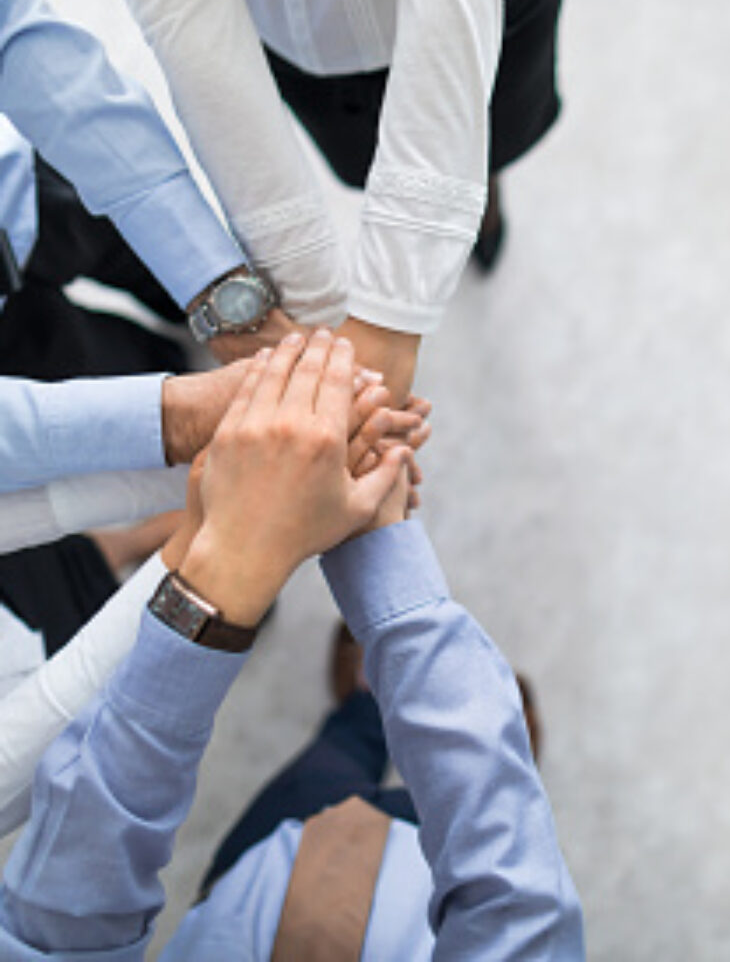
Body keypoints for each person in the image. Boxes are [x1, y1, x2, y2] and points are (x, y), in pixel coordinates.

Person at [0, 330, 583, 957]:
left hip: (251, 903)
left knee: (334, 770)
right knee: (474, 794)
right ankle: (401, 720)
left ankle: (371, 713)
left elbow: (57, 931)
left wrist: (225, 562)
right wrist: (381, 557)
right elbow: (520, 912)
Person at [109, 0, 566, 400]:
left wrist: (391, 313)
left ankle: (484, 207)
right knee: (363, 164)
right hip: (307, 45)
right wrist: (316, 316)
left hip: (484, 5)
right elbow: (184, 13)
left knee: (490, 141)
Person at [0, 0, 301, 364]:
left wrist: (214, 287)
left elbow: (15, 36)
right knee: (138, 369)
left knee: (150, 257)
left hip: (26, 186)